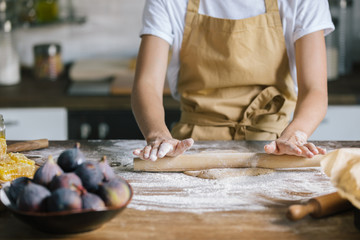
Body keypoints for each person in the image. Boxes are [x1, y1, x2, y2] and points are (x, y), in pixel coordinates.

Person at [132, 0, 334, 161]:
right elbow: (147, 83)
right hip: (190, 147)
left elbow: (314, 89)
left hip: (275, 147)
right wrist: (158, 135)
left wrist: (294, 135)